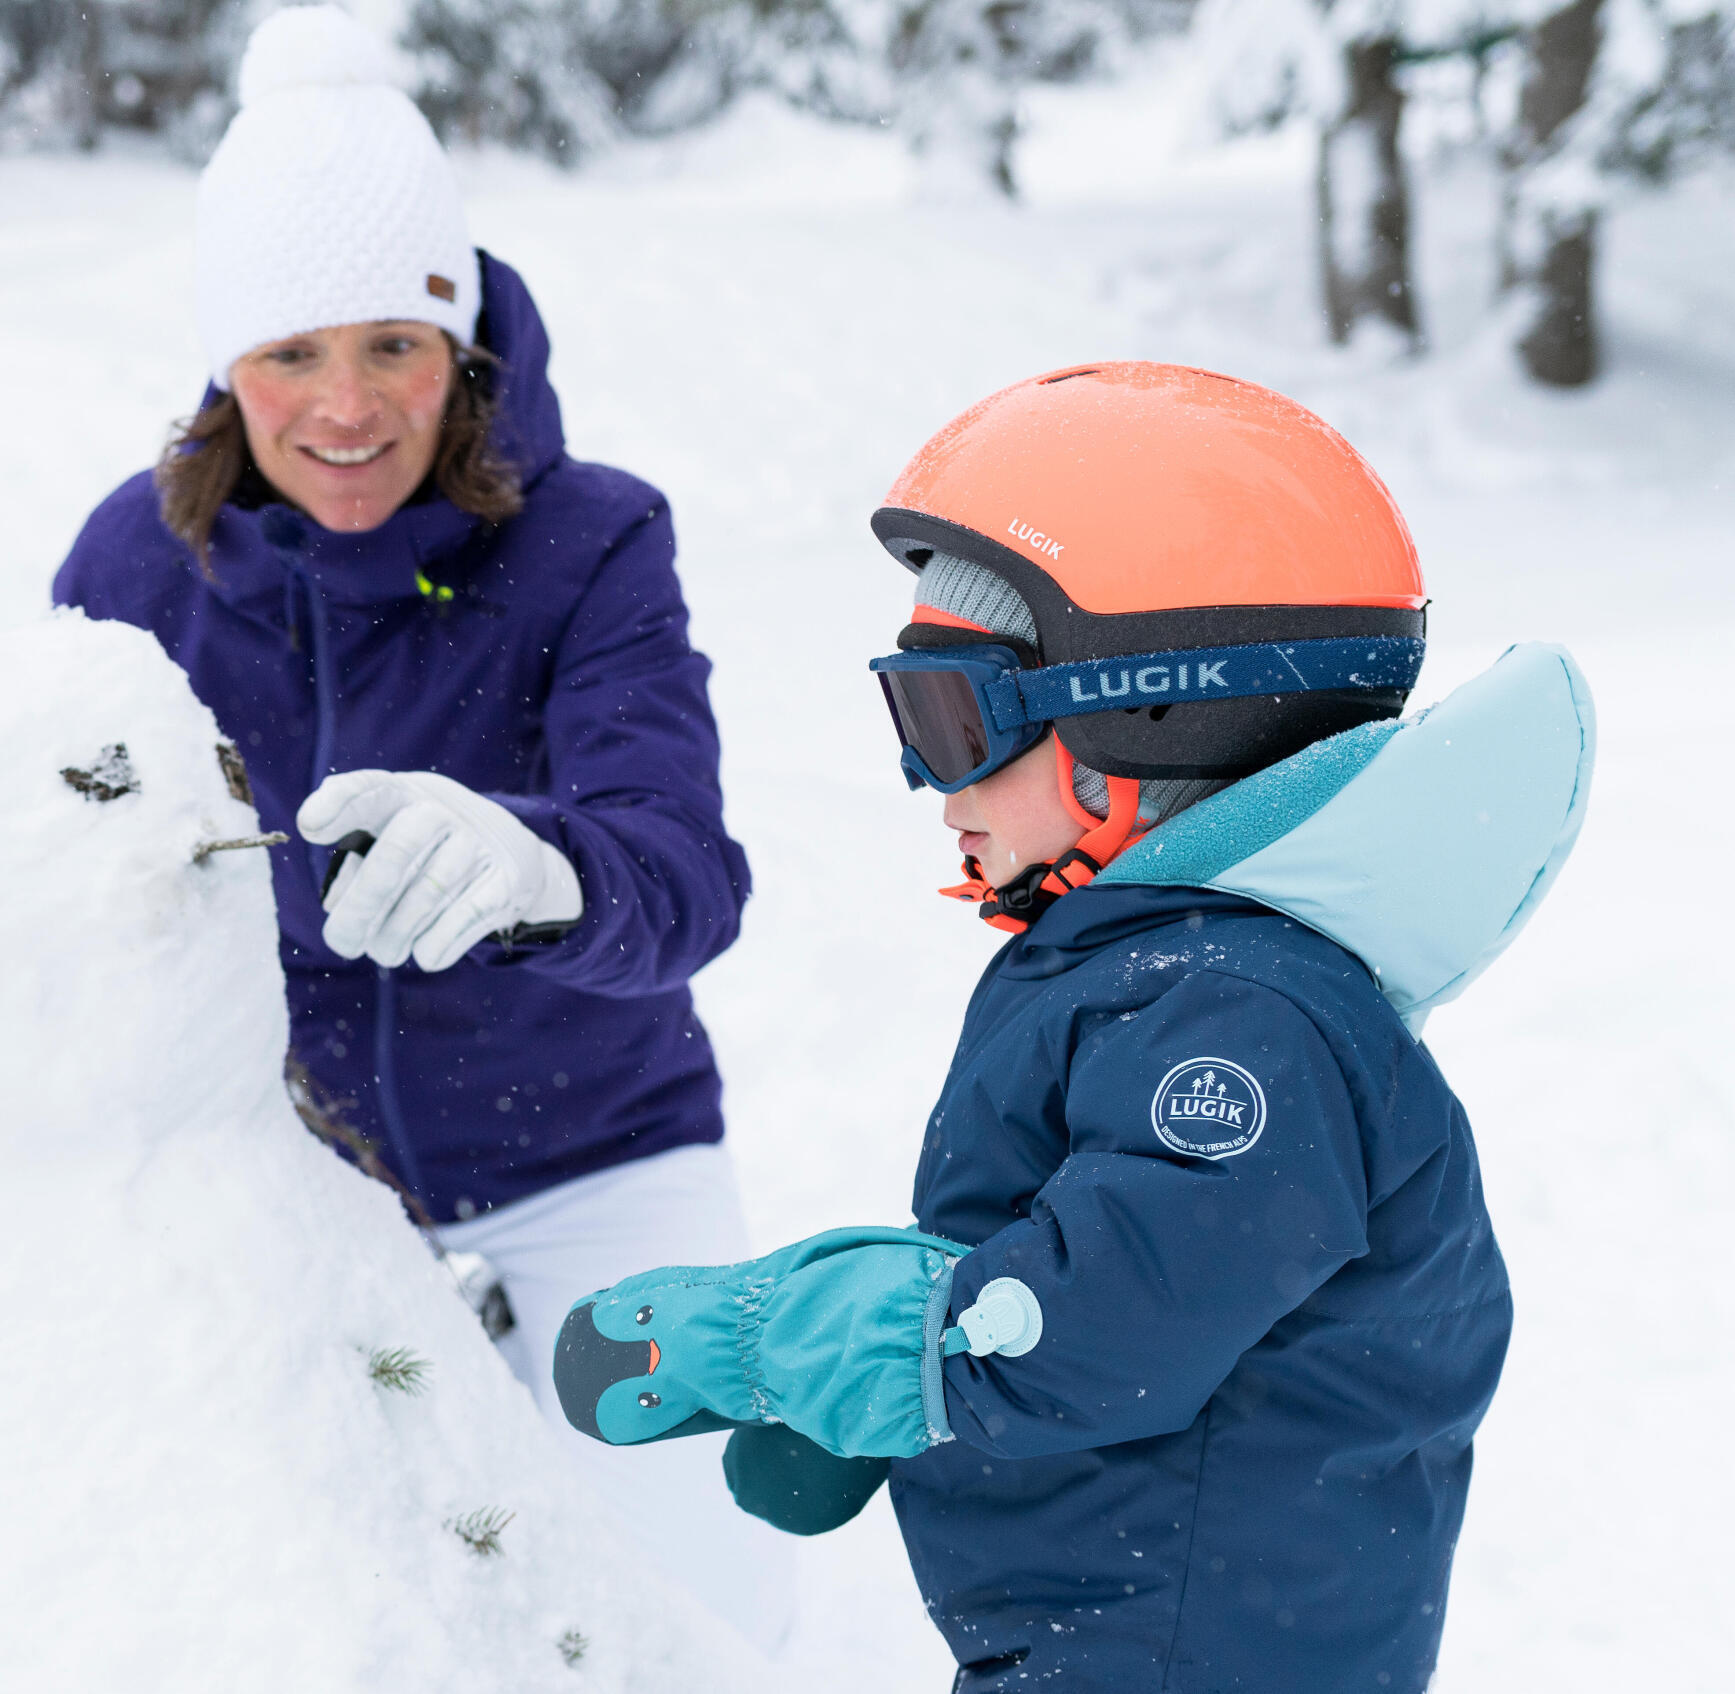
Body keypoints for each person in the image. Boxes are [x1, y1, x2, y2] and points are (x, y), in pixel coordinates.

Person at [551, 363, 1596, 1690]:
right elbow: (1112, 1271)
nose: (930, 780)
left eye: (952, 713)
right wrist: (892, 1392)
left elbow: (1091, 1323)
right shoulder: (1177, 975)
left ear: (1154, 712)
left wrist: (800, 1337)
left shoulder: (1239, 1019)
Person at [52, 5, 791, 1646]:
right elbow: (55, 853)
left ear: (459, 341)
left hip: (596, 1157)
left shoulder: (594, 544)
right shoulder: (136, 569)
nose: (345, 407)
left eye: (392, 342)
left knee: (706, 1611)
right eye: (289, 352)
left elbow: (684, 873)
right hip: (290, 1180)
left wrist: (542, 867)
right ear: (222, 364)